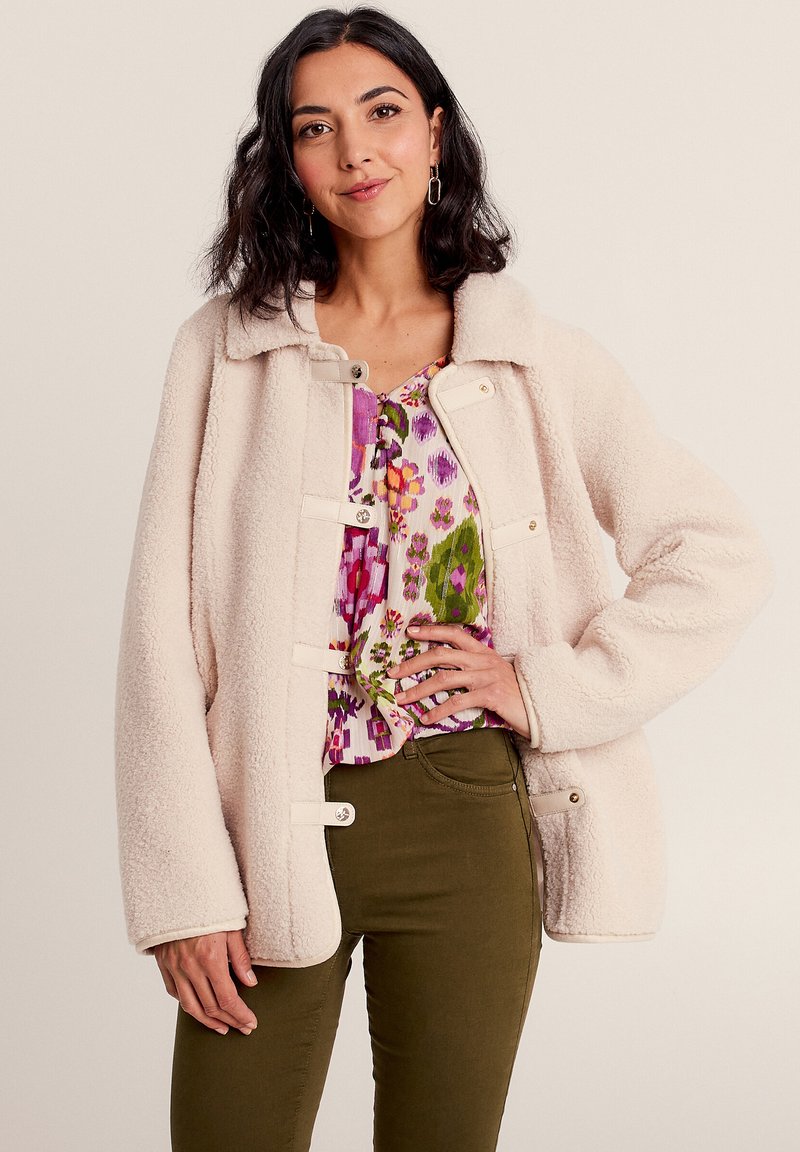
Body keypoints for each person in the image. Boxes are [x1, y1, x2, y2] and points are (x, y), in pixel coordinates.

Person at [113, 7, 775, 1151]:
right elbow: (156, 636)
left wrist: (543, 686)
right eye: (313, 127)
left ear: (431, 131)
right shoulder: (226, 351)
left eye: (380, 112)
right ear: (286, 158)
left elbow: (716, 552)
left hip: (466, 817)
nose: (353, 150)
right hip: (264, 819)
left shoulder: (530, 356)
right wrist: (182, 890)